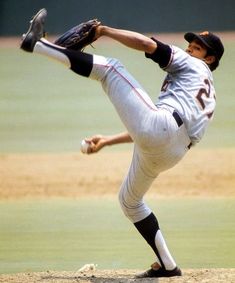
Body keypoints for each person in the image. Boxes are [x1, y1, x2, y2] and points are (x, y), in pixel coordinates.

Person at [20, 9, 224, 278]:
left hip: (161, 130)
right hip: (171, 151)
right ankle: (168, 266)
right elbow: (154, 131)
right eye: (190, 44)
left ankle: (38, 44)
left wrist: (104, 32)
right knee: (130, 201)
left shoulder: (193, 65)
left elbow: (148, 45)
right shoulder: (208, 94)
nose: (189, 48)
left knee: (111, 68)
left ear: (209, 59)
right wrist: (108, 140)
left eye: (197, 48)